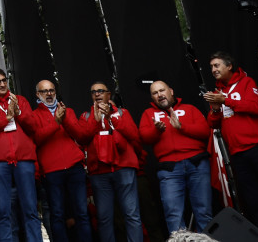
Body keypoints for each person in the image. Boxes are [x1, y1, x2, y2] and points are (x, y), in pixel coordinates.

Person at [205, 50, 258, 237]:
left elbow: (255, 107)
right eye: (211, 66)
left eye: (217, 65)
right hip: (237, 154)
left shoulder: (246, 82)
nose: (213, 69)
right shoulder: (218, 92)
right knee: (254, 201)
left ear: (229, 66)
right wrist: (216, 109)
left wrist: (226, 100)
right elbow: (213, 124)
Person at [0, 68, 42, 242]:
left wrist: (18, 113)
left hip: (23, 160)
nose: (2, 84)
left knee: (30, 209)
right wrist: (5, 118)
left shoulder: (20, 100)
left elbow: (33, 126)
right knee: (2, 211)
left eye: (4, 80)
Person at [139, 80, 211, 233]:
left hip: (197, 164)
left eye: (162, 90)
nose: (159, 95)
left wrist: (181, 127)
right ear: (152, 98)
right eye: (155, 93)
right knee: (173, 214)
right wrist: (156, 130)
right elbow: (144, 138)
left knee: (203, 211)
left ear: (170, 91)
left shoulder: (189, 108)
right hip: (169, 169)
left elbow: (205, 131)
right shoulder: (148, 114)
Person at [75, 81, 143, 242]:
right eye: (93, 92)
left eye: (100, 91)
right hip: (99, 173)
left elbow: (134, 136)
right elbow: (82, 137)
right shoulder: (86, 116)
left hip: (123, 168)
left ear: (108, 94)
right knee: (104, 218)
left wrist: (112, 116)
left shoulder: (122, 112)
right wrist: (96, 120)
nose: (97, 94)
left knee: (132, 215)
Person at [29, 80, 90, 242]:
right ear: (37, 94)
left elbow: (81, 136)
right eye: (45, 91)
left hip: (74, 167)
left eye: (52, 90)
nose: (49, 94)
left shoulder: (67, 111)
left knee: (82, 213)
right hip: (51, 170)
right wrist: (55, 122)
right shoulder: (34, 115)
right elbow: (36, 139)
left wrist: (65, 119)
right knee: (57, 214)